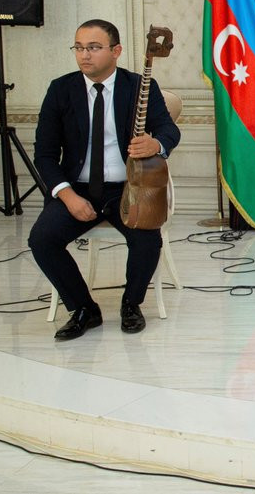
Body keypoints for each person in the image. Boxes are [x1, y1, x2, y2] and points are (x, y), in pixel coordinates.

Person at [29, 19, 181, 340]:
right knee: (42, 239)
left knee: (147, 239)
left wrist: (156, 144)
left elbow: (169, 130)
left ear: (116, 51)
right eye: (79, 48)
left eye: (94, 48)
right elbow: (44, 154)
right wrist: (67, 196)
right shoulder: (61, 89)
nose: (84, 55)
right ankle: (84, 308)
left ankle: (131, 304)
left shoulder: (138, 86)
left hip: (128, 189)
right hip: (77, 189)